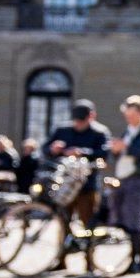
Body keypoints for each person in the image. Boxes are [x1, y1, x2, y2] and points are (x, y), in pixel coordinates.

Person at [108, 95, 140, 274]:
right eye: (127, 115)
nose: (128, 118)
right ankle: (134, 260)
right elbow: (120, 154)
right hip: (123, 177)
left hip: (138, 179)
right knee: (123, 218)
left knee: (134, 220)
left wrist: (126, 148)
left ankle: (137, 261)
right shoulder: (129, 130)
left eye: (131, 115)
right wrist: (116, 150)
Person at [45, 100, 112, 233]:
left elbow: (104, 153)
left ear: (91, 116)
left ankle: (88, 250)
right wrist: (53, 149)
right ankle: (63, 249)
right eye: (76, 120)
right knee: (63, 220)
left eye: (82, 120)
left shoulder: (100, 132)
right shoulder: (63, 130)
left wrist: (82, 152)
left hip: (87, 184)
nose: (79, 123)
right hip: (64, 183)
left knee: (88, 221)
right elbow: (45, 149)